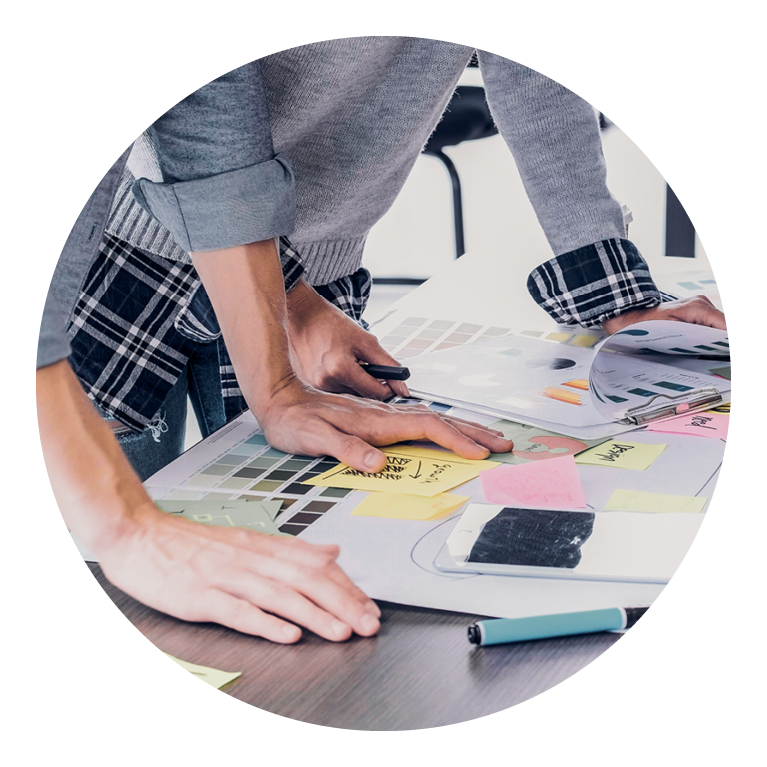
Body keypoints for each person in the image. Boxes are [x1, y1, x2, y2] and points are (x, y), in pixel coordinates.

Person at [38, 42, 725, 643]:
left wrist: (615, 293)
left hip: (295, 264)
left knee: (279, 569)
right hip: (120, 262)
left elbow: (209, 122)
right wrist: (124, 525)